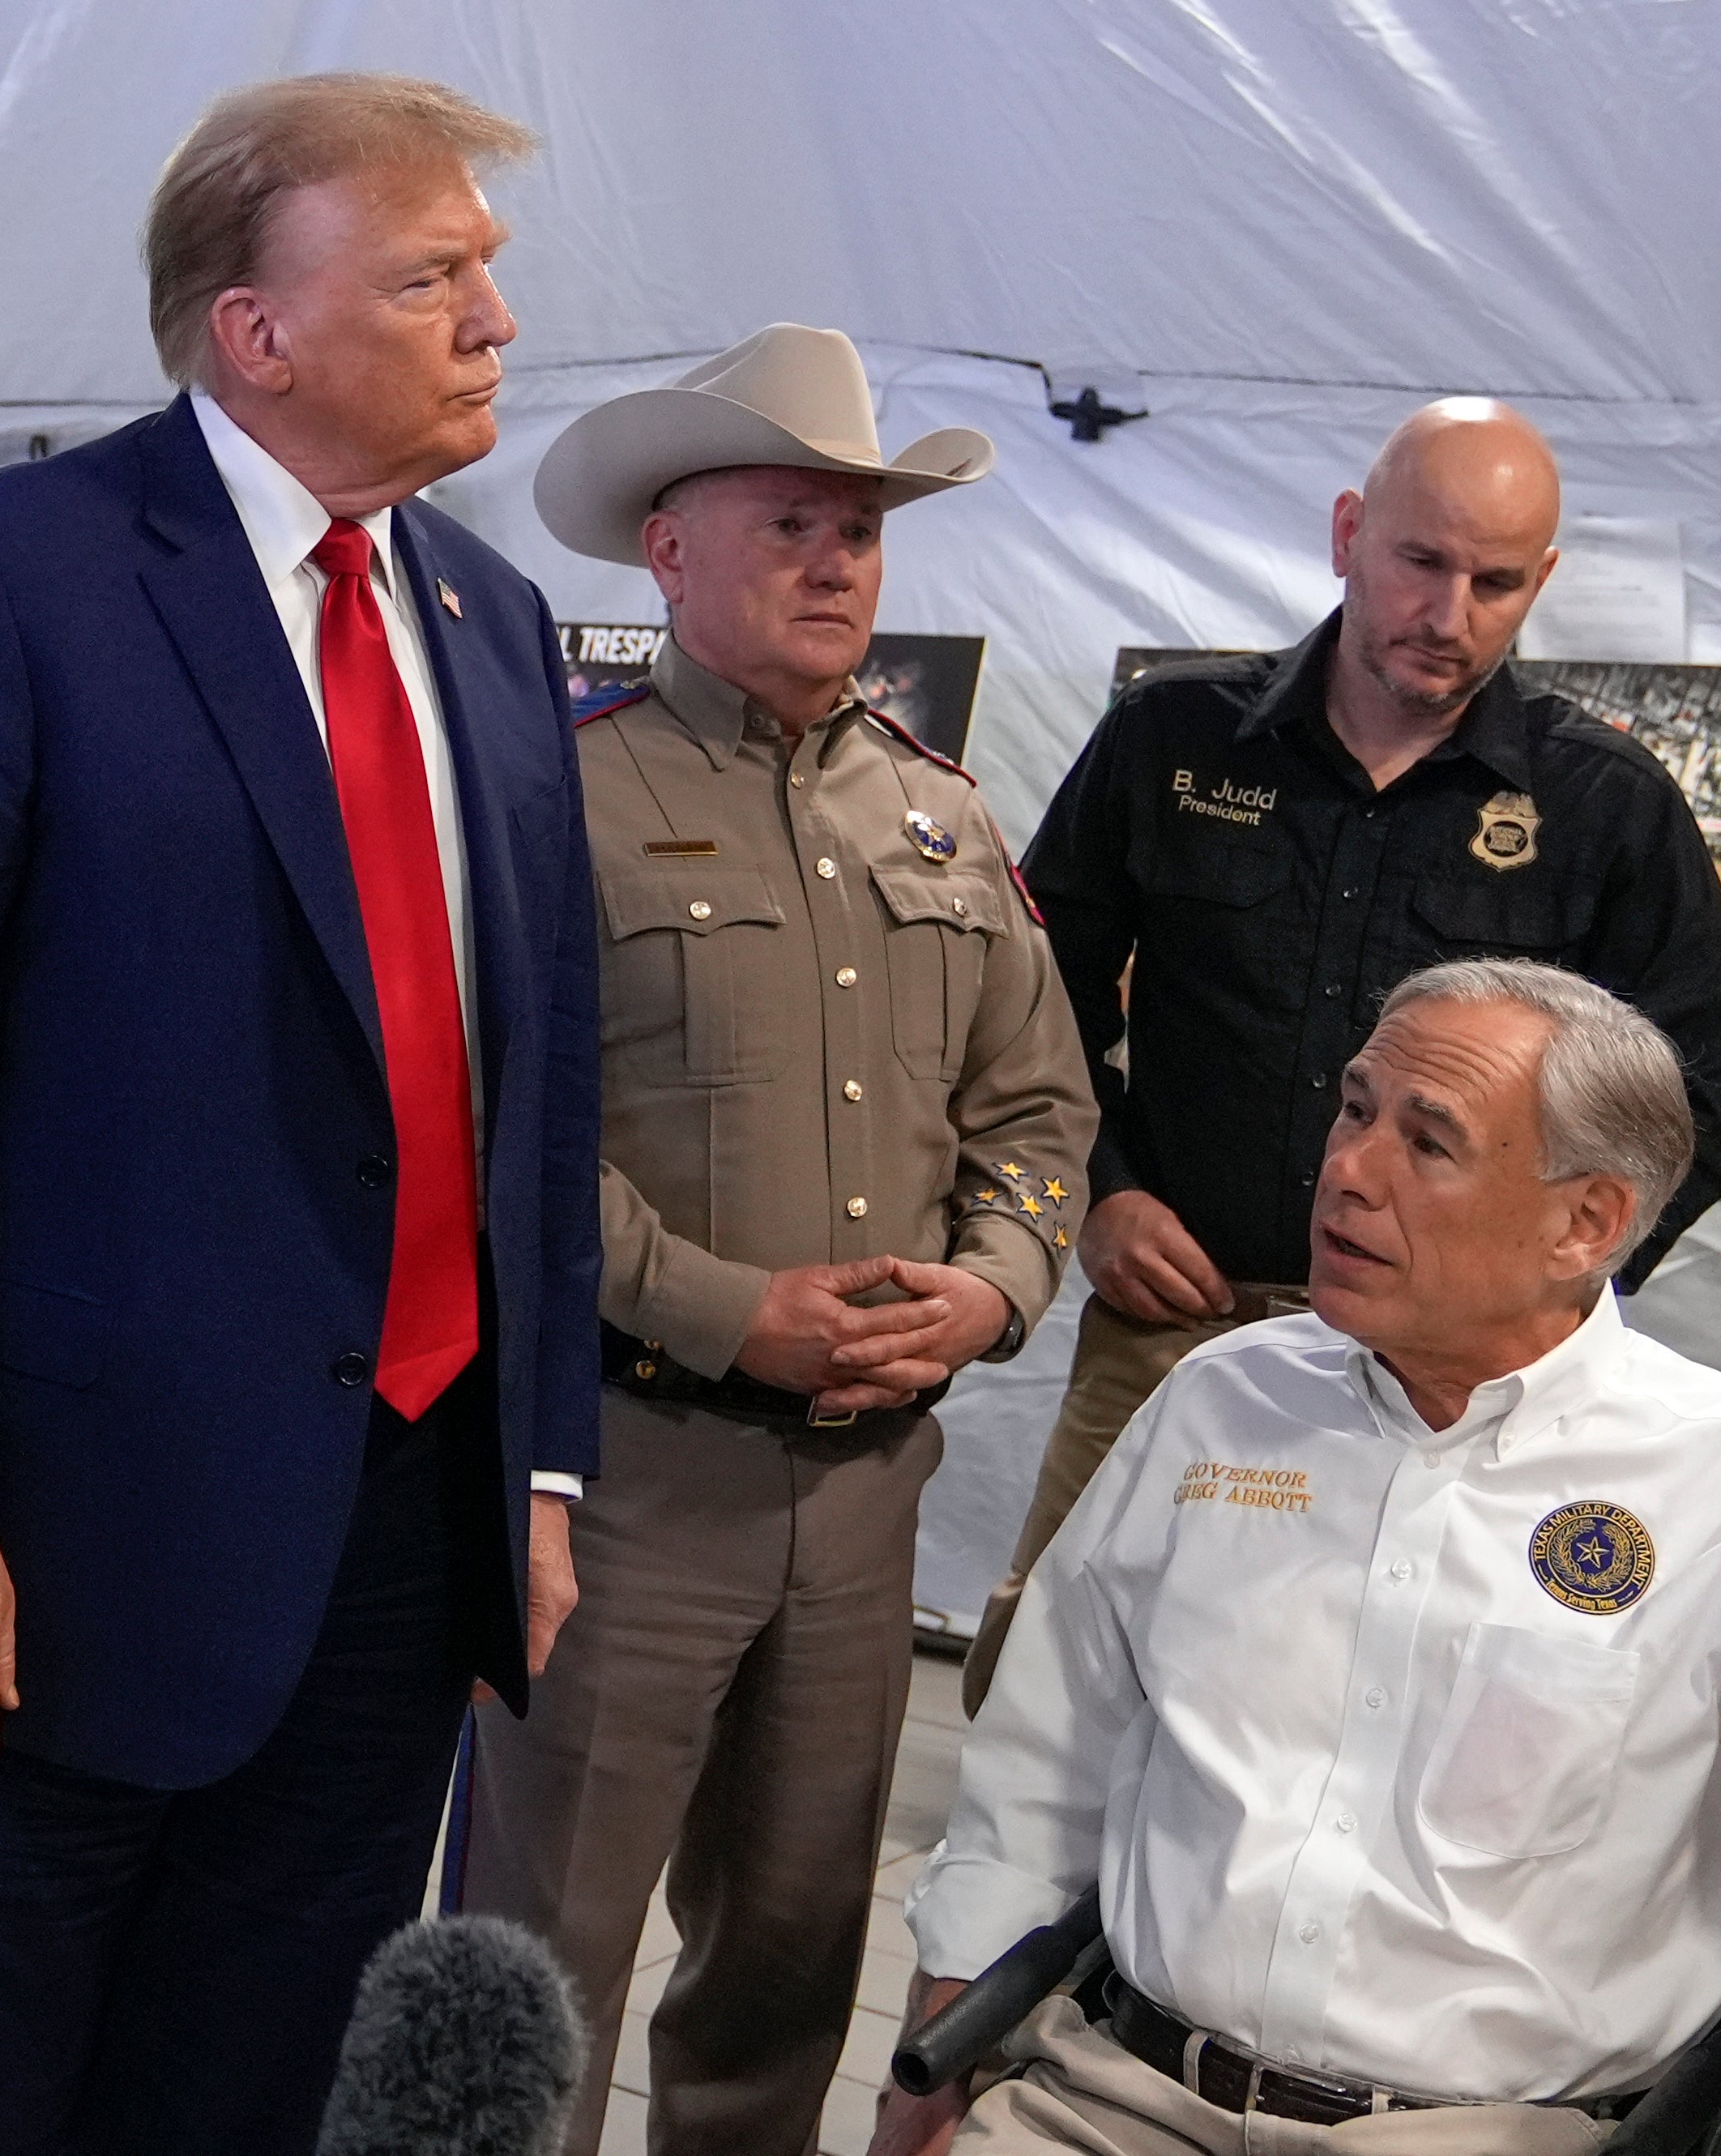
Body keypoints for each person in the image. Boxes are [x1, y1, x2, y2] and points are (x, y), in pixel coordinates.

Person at [0, 75, 597, 2154]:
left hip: (394, 1539)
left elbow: (542, 1087)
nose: (497, 321)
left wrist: (545, 1469)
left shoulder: (486, 626)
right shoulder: (12, 580)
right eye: (433, 277)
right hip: (44, 1557)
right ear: (259, 327)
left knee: (253, 2098)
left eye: (489, 273)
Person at [875, 960, 1721, 2155]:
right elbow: (1045, 1761)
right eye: (1354, 1110)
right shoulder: (1225, 1401)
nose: (1349, 1168)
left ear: (1586, 1222)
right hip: (1114, 2096)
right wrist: (939, 2042)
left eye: (1429, 1140)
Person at [450, 322, 1097, 2156]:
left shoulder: (940, 814)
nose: (837, 563)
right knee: (534, 1959)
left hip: (865, 1485)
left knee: (788, 1960)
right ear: (667, 545)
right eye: (794, 521)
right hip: (619, 1473)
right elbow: (490, 1139)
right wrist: (731, 1313)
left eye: (862, 533)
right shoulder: (557, 797)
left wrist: (990, 1285)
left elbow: (1038, 1109)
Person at [961, 398, 1721, 1711]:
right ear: (1346, 535)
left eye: (1496, 583)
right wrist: (1095, 1195)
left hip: (1444, 1385)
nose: (1450, 612)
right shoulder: (1175, 741)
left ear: (1540, 583)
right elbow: (1023, 1004)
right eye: (1420, 562)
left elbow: (1686, 1125)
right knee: (1055, 1697)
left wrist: (1523, 1323)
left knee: (1357, 1729)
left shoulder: (1604, 809)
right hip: (1175, 1332)